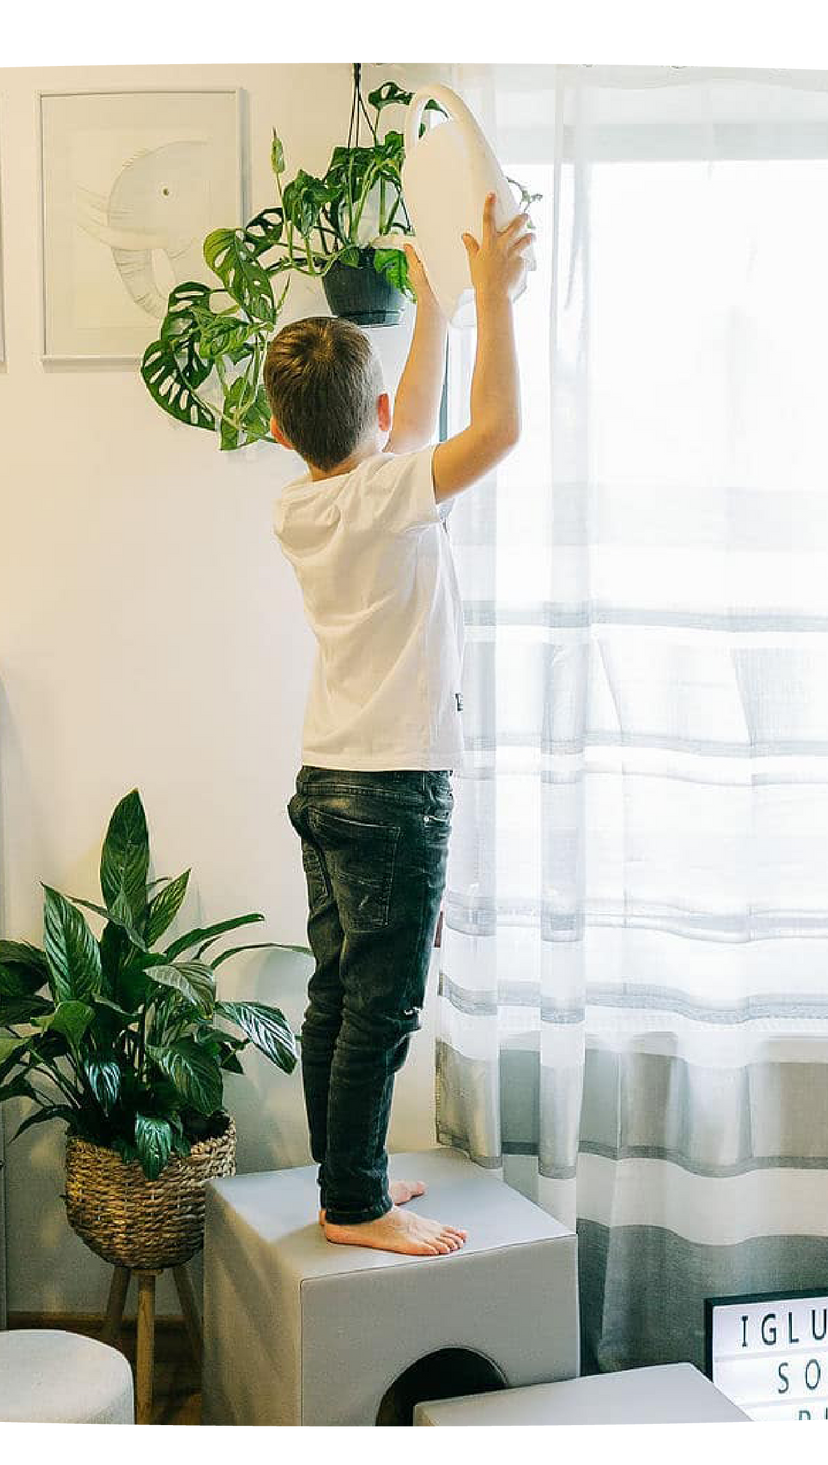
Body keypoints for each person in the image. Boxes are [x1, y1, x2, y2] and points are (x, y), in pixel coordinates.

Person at [265, 194, 534, 1255]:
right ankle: (359, 1205)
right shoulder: (386, 494)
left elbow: (411, 429)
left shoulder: (305, 504)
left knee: (338, 994)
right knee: (379, 1010)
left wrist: (435, 305)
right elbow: (492, 430)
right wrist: (493, 305)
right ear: (370, 418)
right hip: (391, 789)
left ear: (280, 431)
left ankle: (344, 1184)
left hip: (329, 779)